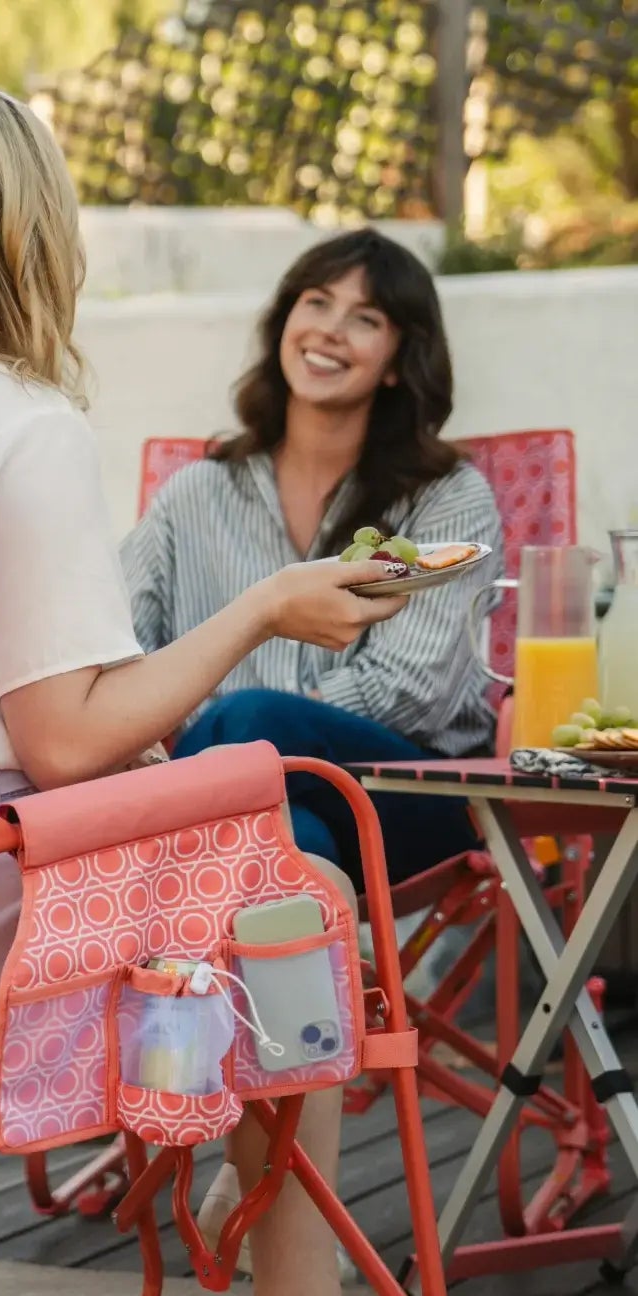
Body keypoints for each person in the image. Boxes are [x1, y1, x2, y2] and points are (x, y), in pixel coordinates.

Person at [0, 82, 497, 1296]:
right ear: (32, 226)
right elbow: (71, 733)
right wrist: (258, 611)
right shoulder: (26, 428)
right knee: (299, 893)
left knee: (264, 850)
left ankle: (268, 1254)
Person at [122, 229, 504, 892]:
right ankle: (310, 986)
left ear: (396, 360)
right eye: (317, 303)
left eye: (365, 318)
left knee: (251, 722)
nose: (330, 331)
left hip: (407, 800)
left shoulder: (448, 498)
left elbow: (413, 692)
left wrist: (231, 721)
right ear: (284, 323)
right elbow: (121, 654)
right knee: (293, 836)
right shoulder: (197, 494)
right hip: (244, 812)